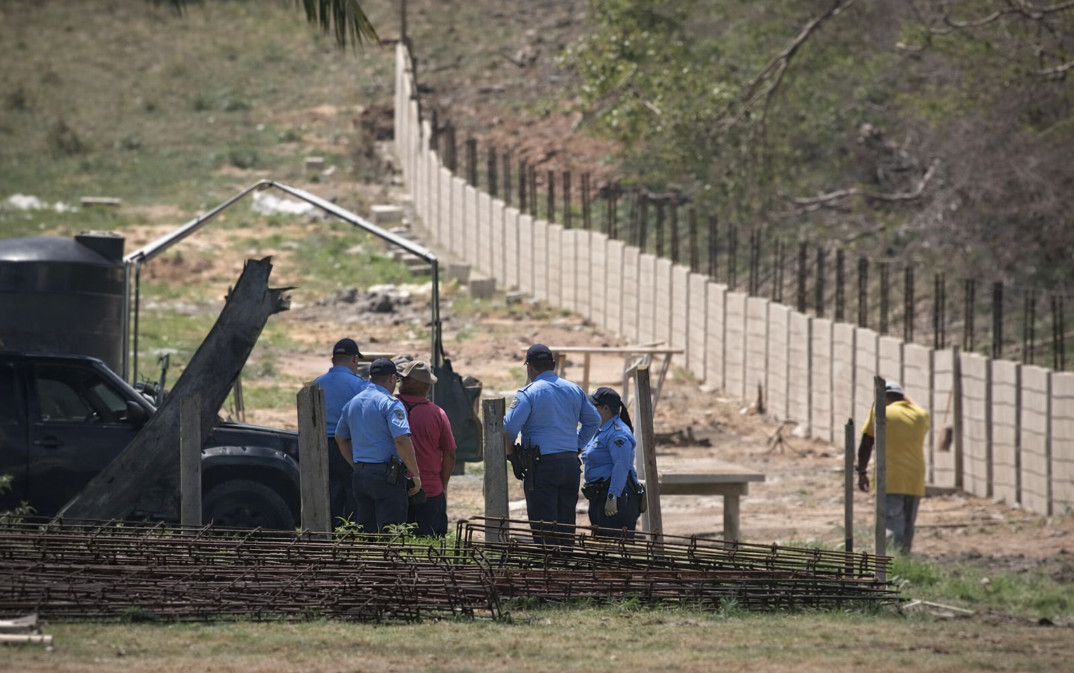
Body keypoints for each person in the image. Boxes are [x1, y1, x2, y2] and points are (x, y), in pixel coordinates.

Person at [503, 343, 600, 545]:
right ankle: (565, 563)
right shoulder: (574, 390)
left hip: (542, 467)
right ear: (553, 365)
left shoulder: (528, 393)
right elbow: (594, 421)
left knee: (544, 528)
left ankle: (549, 564)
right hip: (570, 465)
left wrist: (511, 454)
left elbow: (509, 428)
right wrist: (577, 445)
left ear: (529, 366)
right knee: (566, 525)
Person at [335, 357, 422, 534]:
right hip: (386, 477)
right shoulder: (389, 403)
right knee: (391, 531)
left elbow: (340, 437)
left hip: (360, 475)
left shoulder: (352, 403)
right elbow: (401, 439)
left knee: (367, 531)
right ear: (392, 378)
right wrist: (415, 474)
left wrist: (355, 464)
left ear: (370, 378)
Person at [856, 380, 930, 554]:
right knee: (908, 526)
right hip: (915, 479)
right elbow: (915, 405)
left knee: (891, 523)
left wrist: (861, 472)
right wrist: (903, 395)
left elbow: (866, 444)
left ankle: (891, 561)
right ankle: (904, 560)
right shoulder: (921, 415)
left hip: (889, 477)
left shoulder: (880, 412)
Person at [396, 359, 457, 537]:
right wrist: (443, 484)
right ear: (426, 386)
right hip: (431, 489)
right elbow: (450, 453)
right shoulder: (437, 413)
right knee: (433, 542)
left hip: (396, 488)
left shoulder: (390, 406)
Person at [311, 338, 368, 524]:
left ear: (333, 360)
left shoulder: (315, 384)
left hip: (320, 447)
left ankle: (330, 531)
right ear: (354, 359)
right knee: (353, 492)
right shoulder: (360, 386)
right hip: (349, 446)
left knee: (329, 492)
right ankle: (351, 533)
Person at [581, 386, 642, 538]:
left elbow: (621, 466)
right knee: (602, 543)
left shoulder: (618, 433)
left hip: (614, 497)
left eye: (594, 406)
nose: (590, 409)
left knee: (614, 544)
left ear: (605, 409)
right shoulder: (600, 429)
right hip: (599, 495)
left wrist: (612, 496)